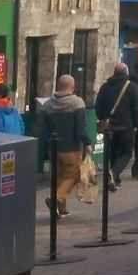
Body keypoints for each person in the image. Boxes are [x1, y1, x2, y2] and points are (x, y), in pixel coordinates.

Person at [33, 74, 92, 218]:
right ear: (72, 87)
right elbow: (81, 128)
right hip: (70, 147)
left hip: (52, 147)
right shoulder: (77, 103)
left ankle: (61, 208)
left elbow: (38, 128)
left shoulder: (47, 105)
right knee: (75, 174)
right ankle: (56, 199)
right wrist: (87, 142)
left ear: (57, 86)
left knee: (60, 176)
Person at [94, 62, 138, 191]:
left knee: (113, 152)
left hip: (109, 126)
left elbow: (98, 105)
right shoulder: (132, 87)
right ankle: (114, 174)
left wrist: (102, 118)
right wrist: (136, 124)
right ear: (126, 72)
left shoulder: (105, 87)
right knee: (126, 153)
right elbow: (137, 108)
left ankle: (115, 179)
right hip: (126, 126)